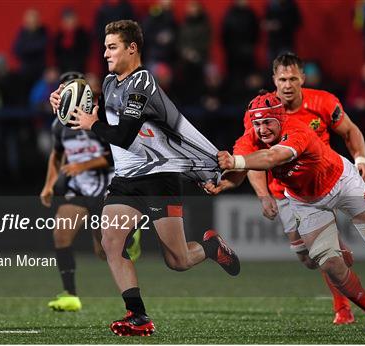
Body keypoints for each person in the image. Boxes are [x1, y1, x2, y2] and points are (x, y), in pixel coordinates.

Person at [49, 20, 240, 336]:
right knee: (111, 241)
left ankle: (210, 247)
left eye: (112, 47)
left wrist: (90, 122)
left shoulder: (142, 84)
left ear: (132, 48)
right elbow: (91, 115)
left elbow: (121, 135)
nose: (105, 53)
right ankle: (138, 316)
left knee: (177, 260)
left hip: (158, 178)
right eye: (105, 46)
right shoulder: (111, 83)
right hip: (126, 179)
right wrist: (65, 102)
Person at [206, 91, 365, 333]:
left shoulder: (298, 130)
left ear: (280, 118)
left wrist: (235, 162)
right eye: (257, 123)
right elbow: (239, 173)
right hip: (305, 201)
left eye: (267, 122)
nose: (262, 129)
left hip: (341, 182)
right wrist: (223, 184)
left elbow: (273, 156)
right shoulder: (250, 137)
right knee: (329, 264)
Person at [244, 53, 365, 325]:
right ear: (274, 81)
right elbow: (253, 157)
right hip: (286, 192)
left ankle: (342, 307)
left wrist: (360, 160)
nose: (288, 84)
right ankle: (336, 251)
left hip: (328, 181)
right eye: (282, 79)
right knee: (306, 257)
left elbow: (350, 131)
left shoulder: (323, 102)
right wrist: (263, 194)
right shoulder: (262, 112)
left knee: (327, 255)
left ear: (302, 78)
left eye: (293, 78)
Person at [41, 71, 141, 312]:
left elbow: (113, 157)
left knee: (103, 252)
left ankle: (131, 236)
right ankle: (70, 295)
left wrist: (82, 165)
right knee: (60, 235)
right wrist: (48, 184)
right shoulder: (60, 124)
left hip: (108, 189)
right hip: (79, 189)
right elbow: (56, 155)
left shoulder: (99, 118)